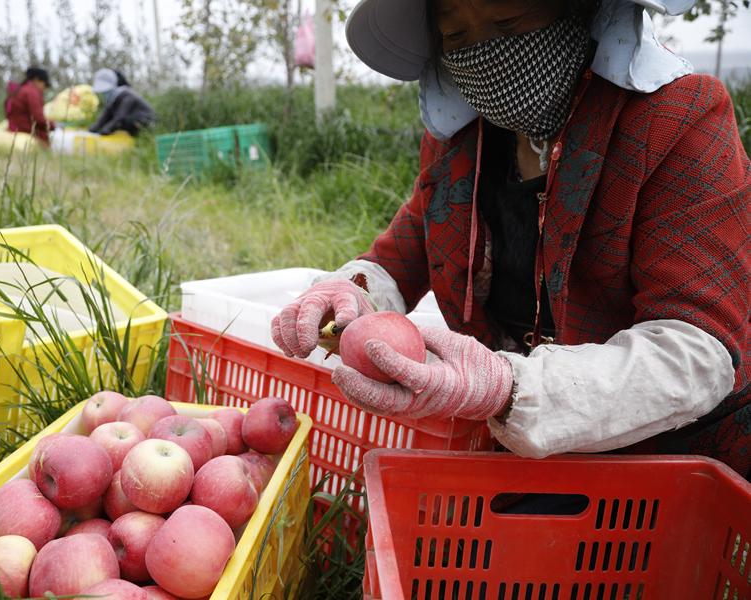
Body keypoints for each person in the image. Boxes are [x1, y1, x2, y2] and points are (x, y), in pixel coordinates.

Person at [272, 0, 750, 478]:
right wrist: (351, 291)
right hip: (522, 452)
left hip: (672, 462)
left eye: (508, 21)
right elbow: (407, 249)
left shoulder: (675, 119)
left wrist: (508, 386)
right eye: (456, 38)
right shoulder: (464, 143)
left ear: (581, 12)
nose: (487, 54)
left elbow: (697, 352)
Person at [88, 68, 156, 136]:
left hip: (145, 122)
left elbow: (120, 116)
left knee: (124, 122)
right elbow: (105, 115)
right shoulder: (113, 99)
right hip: (132, 121)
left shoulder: (127, 95)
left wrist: (106, 130)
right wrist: (93, 129)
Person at [6, 67, 54, 145]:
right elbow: (38, 119)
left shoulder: (19, 90)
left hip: (14, 129)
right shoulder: (32, 92)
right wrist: (54, 126)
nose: (44, 88)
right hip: (26, 131)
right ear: (36, 80)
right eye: (44, 84)